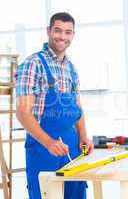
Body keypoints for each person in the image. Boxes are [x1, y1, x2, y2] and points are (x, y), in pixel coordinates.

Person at [15, 12, 93, 199]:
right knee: (46, 194)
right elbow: (23, 113)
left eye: (68, 32)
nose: (63, 37)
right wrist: (48, 142)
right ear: (49, 31)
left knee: (75, 194)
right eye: (58, 31)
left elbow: (76, 105)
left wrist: (83, 135)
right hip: (43, 146)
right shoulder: (33, 64)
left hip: (72, 145)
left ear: (73, 35)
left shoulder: (71, 68)